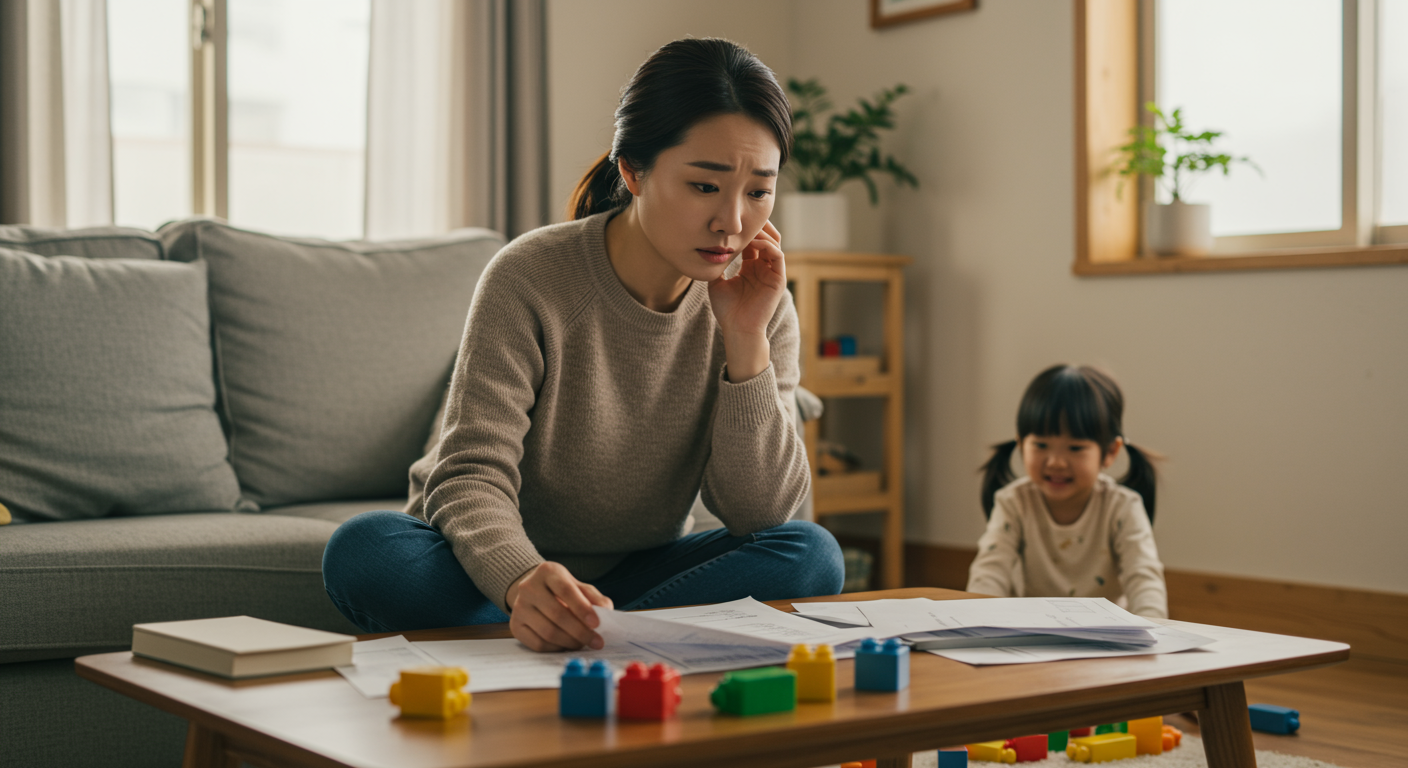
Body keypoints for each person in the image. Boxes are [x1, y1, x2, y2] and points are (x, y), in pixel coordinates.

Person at [322, 38, 844, 652]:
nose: (732, 220)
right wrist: (520, 579)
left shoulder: (758, 299)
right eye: (705, 186)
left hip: (638, 571)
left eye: (759, 191)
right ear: (634, 171)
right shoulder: (530, 275)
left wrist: (746, 336)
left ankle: (569, 643)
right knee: (365, 552)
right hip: (493, 570)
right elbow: (468, 476)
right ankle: (606, 638)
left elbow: (760, 516)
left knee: (812, 554)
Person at [966, 364, 1168, 618]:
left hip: (1107, 635)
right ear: (1021, 445)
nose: (1056, 462)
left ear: (1110, 453)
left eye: (1075, 448)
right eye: (1041, 445)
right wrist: (977, 621)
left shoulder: (1123, 507)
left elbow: (1144, 579)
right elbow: (990, 573)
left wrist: (1152, 631)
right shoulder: (1013, 502)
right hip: (1032, 631)